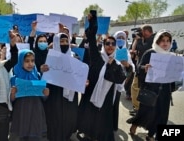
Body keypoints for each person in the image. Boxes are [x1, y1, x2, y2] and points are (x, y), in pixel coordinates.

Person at [77, 10, 126, 141]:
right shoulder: (97, 57)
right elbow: (91, 37)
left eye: (113, 44)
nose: (110, 46)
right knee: (89, 117)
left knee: (102, 121)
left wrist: (112, 66)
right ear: (103, 45)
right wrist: (93, 20)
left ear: (116, 47)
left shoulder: (116, 63)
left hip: (107, 98)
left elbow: (119, 78)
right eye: (107, 43)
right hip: (91, 93)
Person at [129, 30, 175, 141]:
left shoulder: (172, 56)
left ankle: (151, 135)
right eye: (163, 40)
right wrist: (145, 68)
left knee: (161, 114)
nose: (165, 43)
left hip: (164, 90)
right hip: (151, 89)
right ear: (157, 41)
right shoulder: (150, 52)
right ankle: (135, 124)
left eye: (168, 41)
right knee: (145, 112)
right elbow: (138, 67)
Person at [40, 33, 79, 141]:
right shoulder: (50, 56)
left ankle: (66, 135)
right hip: (54, 93)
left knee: (68, 116)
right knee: (55, 117)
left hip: (69, 93)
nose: (64, 44)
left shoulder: (74, 56)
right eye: (61, 41)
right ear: (56, 42)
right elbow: (44, 74)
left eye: (66, 41)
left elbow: (79, 74)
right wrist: (42, 69)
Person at [9, 49, 49, 141]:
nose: (30, 64)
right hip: (22, 111)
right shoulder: (14, 79)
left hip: (36, 110)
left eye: (32, 61)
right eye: (27, 61)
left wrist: (46, 94)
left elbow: (43, 97)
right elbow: (12, 99)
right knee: (22, 134)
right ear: (20, 62)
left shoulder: (38, 76)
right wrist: (13, 93)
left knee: (35, 134)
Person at [129, 25, 154, 116]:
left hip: (146, 70)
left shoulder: (153, 39)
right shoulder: (146, 40)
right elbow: (133, 49)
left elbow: (143, 49)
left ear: (147, 31)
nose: (140, 33)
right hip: (140, 68)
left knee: (138, 89)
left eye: (142, 31)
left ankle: (139, 110)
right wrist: (136, 40)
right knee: (135, 88)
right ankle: (137, 109)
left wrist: (139, 40)